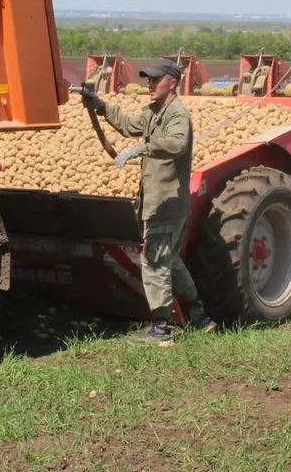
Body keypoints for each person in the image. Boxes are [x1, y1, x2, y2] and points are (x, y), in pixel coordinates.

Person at [82, 60, 216, 346]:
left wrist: (142, 148)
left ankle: (161, 330)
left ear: (172, 83)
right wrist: (101, 106)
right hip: (159, 203)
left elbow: (177, 144)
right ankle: (200, 316)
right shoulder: (154, 112)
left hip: (166, 204)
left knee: (154, 261)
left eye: (156, 80)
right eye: (148, 80)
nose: (149, 84)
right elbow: (130, 126)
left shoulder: (177, 114)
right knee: (169, 260)